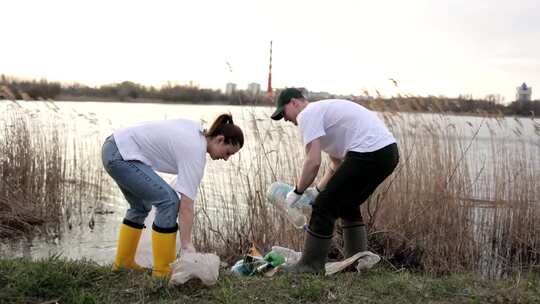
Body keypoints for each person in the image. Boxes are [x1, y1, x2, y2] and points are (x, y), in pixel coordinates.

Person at [270, 88, 399, 274]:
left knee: (323, 207)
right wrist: (316, 191)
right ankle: (356, 262)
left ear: (294, 103)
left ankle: (309, 266)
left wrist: (296, 192)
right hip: (387, 154)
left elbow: (313, 162)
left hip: (369, 152)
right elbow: (336, 165)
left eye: (283, 113)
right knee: (347, 204)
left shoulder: (307, 114)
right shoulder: (322, 115)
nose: (285, 119)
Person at [101, 114, 244, 278]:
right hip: (121, 155)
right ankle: (162, 273)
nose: (226, 159)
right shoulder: (195, 150)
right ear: (220, 139)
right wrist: (186, 245)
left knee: (141, 206)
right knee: (169, 201)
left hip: (114, 147)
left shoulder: (195, 131)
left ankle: (123, 264)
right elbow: (186, 206)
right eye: (228, 153)